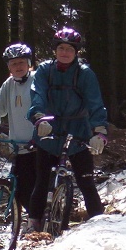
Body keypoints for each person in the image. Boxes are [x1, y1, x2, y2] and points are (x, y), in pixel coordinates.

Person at [26, 27, 108, 232]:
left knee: (86, 182)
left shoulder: (85, 73)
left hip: (78, 130)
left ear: (76, 52)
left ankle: (102, 228)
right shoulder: (44, 70)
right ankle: (33, 225)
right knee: (41, 181)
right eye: (61, 48)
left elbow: (95, 103)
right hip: (48, 130)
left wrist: (100, 132)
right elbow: (38, 96)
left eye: (69, 49)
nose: (64, 52)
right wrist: (39, 118)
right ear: (55, 50)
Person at [0, 43, 36, 216]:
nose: (18, 67)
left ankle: (41, 220)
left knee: (38, 188)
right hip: (19, 147)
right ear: (8, 67)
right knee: (20, 190)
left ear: (28, 63)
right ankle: (31, 221)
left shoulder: (38, 80)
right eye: (13, 64)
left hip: (39, 146)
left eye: (21, 62)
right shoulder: (9, 85)